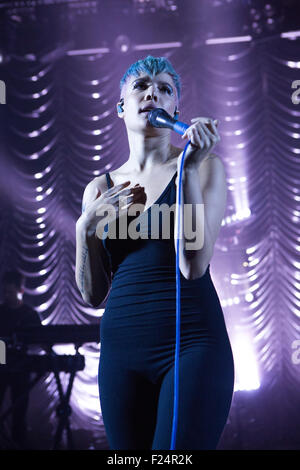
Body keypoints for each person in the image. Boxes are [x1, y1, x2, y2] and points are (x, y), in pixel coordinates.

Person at [75, 55, 234, 450]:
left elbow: (193, 265)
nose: (153, 93)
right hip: (120, 355)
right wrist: (84, 229)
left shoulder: (204, 167)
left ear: (174, 110)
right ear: (120, 108)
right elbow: (93, 296)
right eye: (142, 86)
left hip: (193, 346)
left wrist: (188, 170)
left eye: (165, 89)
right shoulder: (99, 189)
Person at [0, 270, 41, 448]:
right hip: (1, 368)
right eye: (5, 292)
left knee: (19, 414)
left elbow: (39, 341)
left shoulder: (30, 315)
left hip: (22, 369)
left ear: (20, 291)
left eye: (10, 292)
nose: (6, 296)